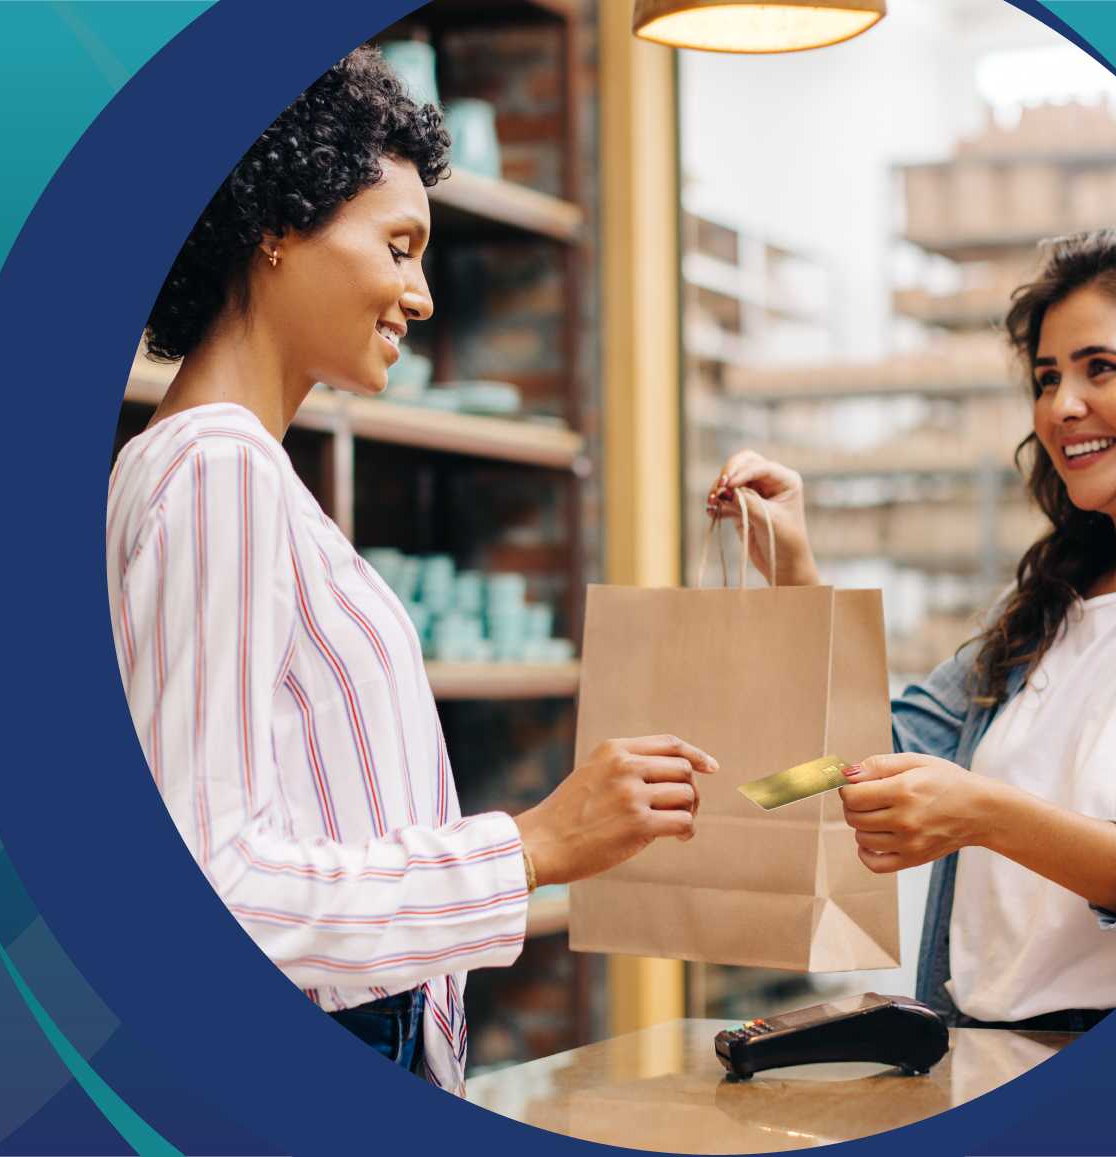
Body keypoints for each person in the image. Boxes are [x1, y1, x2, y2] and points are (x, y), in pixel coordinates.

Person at [107, 48, 711, 1091]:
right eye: (400, 246)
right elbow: (212, 886)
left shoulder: (212, 465)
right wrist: (530, 846)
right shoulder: (217, 469)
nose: (420, 295)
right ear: (276, 226)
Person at [709, 226, 1116, 1031]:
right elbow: (854, 756)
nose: (1061, 406)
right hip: (972, 1052)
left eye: (1100, 368)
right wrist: (791, 567)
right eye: (1045, 378)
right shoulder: (1043, 605)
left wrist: (988, 814)